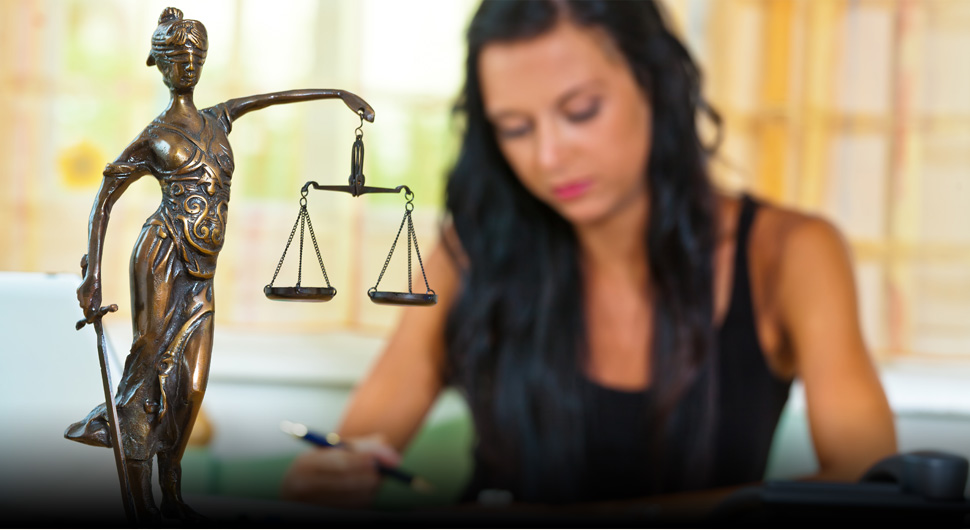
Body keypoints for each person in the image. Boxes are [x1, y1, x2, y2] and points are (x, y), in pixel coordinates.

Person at [280, 0, 896, 514]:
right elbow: (353, 446)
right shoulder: (470, 253)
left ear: (655, 84)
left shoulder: (790, 255)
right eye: (516, 128)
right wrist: (325, 481)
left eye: (580, 112)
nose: (549, 157)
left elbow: (868, 485)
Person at [66, 7, 374, 522]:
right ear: (158, 64)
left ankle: (172, 491)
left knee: (191, 385)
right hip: (162, 255)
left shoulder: (219, 118)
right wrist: (91, 275)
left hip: (203, 270)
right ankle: (142, 502)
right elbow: (106, 197)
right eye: (176, 56)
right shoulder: (155, 135)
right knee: (147, 371)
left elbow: (273, 97)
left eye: (196, 56)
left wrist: (337, 94)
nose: (187, 65)